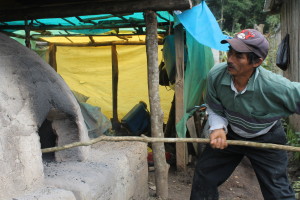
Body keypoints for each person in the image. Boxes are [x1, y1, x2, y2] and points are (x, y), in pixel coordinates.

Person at [190, 29, 297, 200]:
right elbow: (213, 105)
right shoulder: (216, 75)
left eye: (238, 56)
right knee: (205, 175)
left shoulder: (274, 86)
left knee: (278, 192)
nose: (230, 60)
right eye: (230, 53)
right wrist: (217, 127)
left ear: (257, 62)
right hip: (232, 133)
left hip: (266, 136)